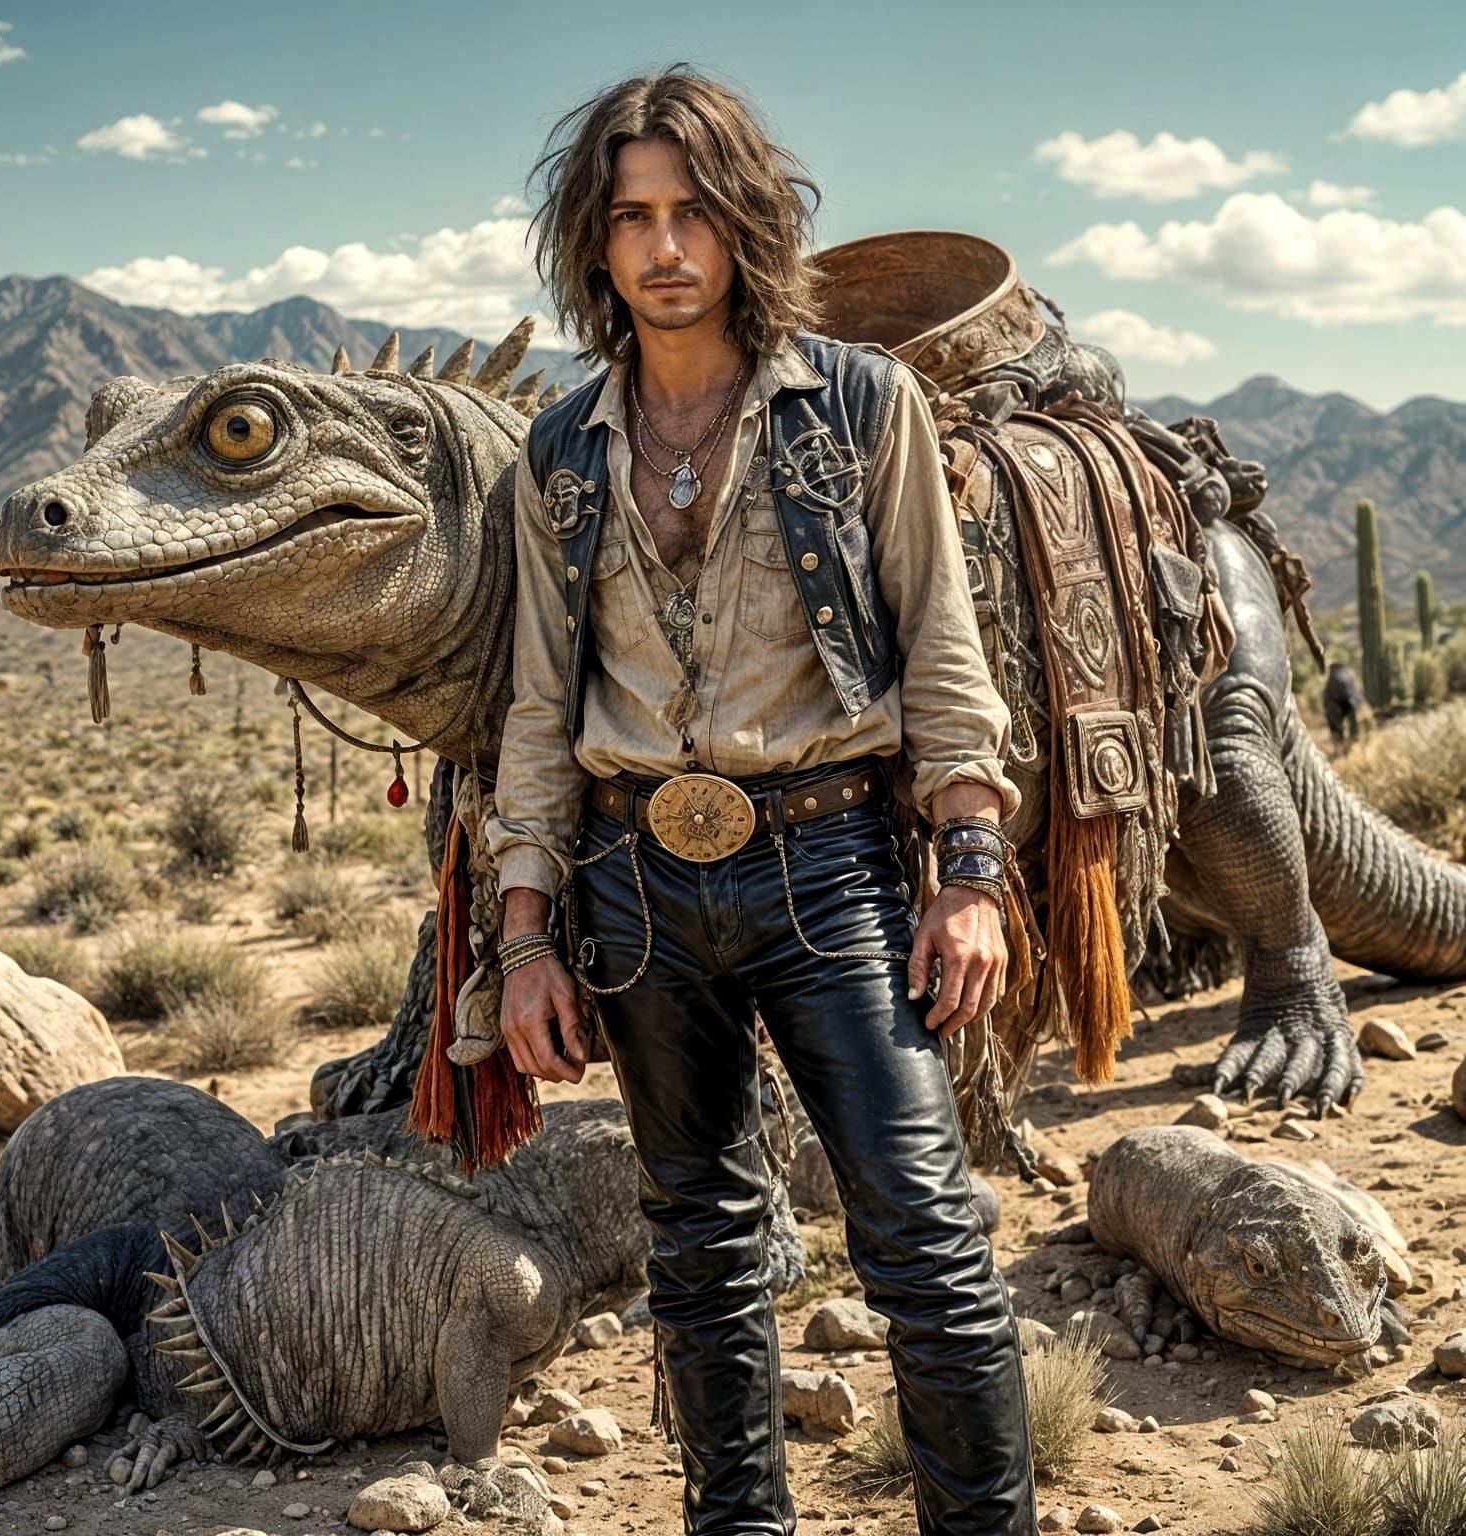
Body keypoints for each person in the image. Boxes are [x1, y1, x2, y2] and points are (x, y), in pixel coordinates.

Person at [483, 65, 1037, 1536]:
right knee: (704, 1253)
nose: (665, 248)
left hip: (832, 865)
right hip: (634, 888)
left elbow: (943, 648)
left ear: (744, 223)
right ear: (593, 245)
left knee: (922, 1241)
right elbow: (538, 708)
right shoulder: (559, 452)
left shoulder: (862, 404)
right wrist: (524, 934)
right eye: (630, 218)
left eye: (691, 214)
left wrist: (971, 872)